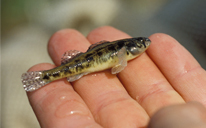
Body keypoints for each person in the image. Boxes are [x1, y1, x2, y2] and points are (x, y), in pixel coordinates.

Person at [26, 26, 206, 128]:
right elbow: (116, 68)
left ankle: (44, 77)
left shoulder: (124, 50)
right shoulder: (123, 51)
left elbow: (115, 67)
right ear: (129, 48)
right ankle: (45, 77)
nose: (145, 44)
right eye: (141, 43)